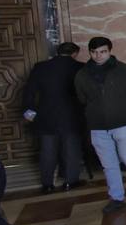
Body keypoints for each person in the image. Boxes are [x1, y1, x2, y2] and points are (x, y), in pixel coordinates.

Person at [76, 36, 126, 213]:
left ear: (109, 51)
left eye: (102, 52)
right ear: (89, 52)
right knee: (108, 164)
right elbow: (81, 98)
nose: (98, 56)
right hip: (97, 125)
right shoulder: (82, 75)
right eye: (94, 52)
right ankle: (116, 197)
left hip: (125, 122)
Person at [22, 41, 86, 193]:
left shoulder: (40, 67)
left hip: (46, 115)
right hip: (72, 115)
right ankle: (70, 181)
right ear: (74, 53)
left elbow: (29, 92)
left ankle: (47, 184)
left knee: (47, 150)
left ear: (58, 52)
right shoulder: (80, 67)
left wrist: (29, 114)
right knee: (71, 149)